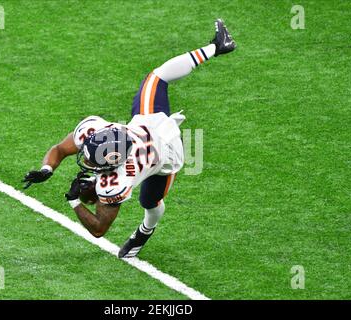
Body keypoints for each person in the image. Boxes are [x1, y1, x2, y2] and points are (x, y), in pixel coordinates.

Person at [23, 18, 236, 258]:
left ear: (113, 164)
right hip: (147, 123)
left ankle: (146, 230)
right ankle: (218, 46)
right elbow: (61, 150)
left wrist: (74, 201)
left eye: (93, 162)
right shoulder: (95, 131)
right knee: (157, 77)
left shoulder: (119, 180)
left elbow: (99, 229)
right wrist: (46, 170)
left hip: (167, 154)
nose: (87, 161)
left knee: (150, 203)